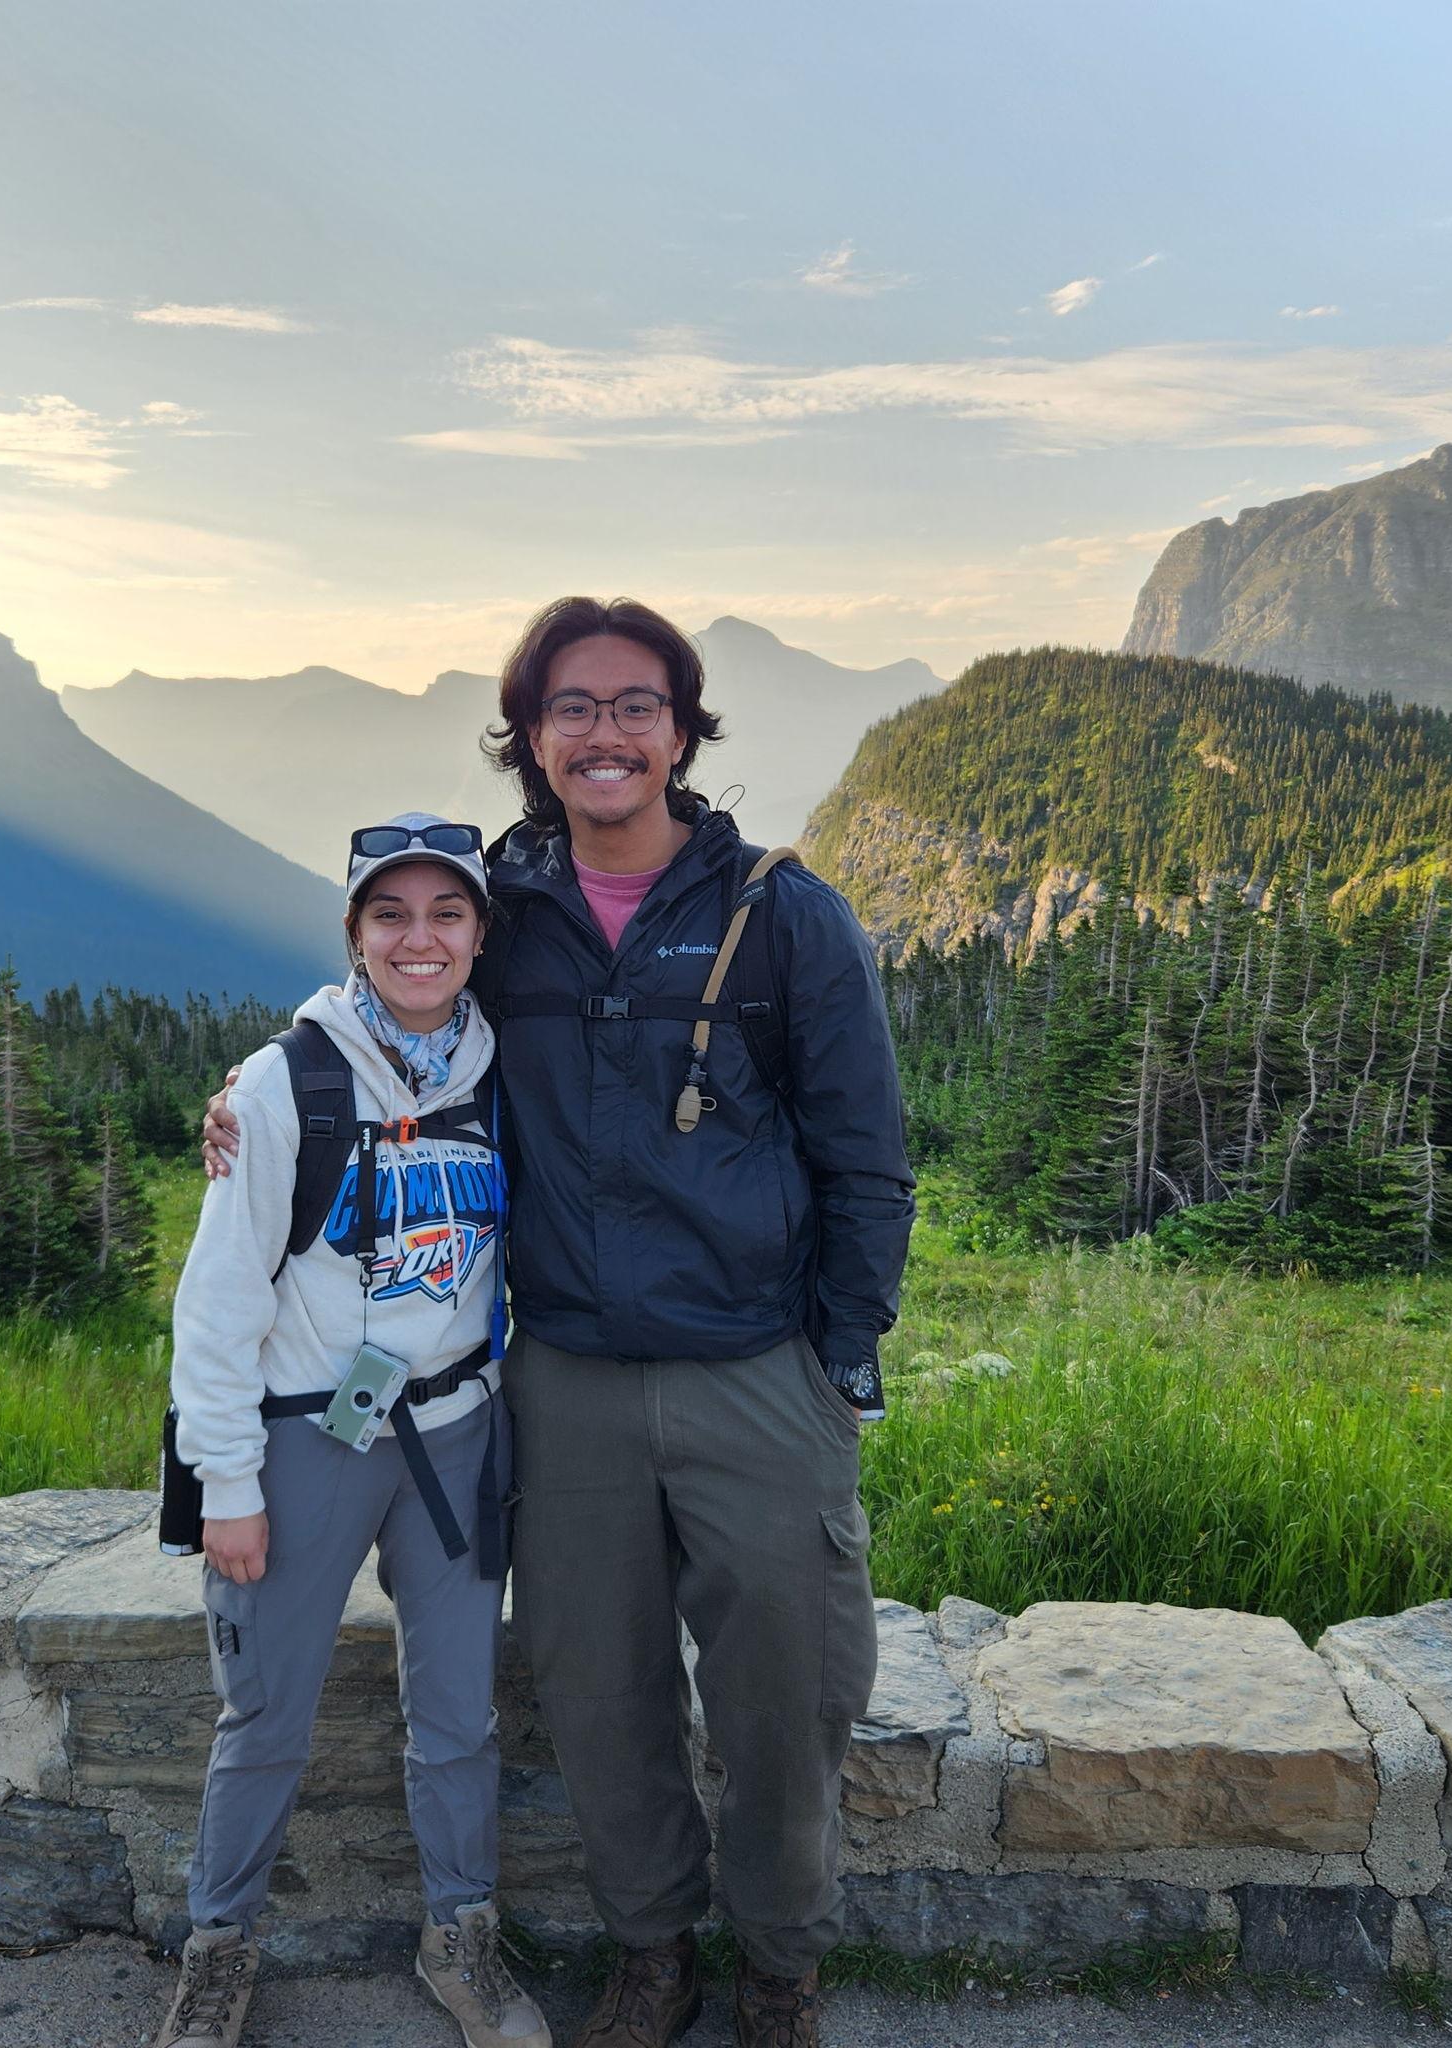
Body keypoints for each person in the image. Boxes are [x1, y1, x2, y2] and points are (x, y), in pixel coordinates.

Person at [205, 600, 916, 2048]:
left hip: (756, 1367)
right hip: (571, 1375)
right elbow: (396, 977)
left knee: (790, 1699)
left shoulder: (781, 912)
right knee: (600, 1695)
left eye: (636, 704)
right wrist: (251, 1088)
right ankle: (652, 1949)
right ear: (531, 738)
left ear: (681, 728)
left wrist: (842, 1358)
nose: (606, 732)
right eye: (573, 707)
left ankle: (780, 1969)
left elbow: (868, 1153)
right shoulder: (508, 908)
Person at [159, 815, 551, 2048]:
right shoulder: (287, 1083)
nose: (419, 938)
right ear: (353, 933)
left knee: (459, 1714)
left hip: (452, 1434)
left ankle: (461, 1938)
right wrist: (225, 1478)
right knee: (264, 1712)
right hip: (304, 1439)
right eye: (391, 914)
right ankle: (218, 1948)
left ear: (480, 934)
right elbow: (218, 1296)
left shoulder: (506, 1074)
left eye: (446, 913)